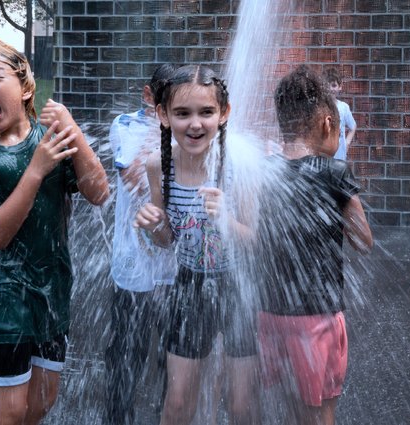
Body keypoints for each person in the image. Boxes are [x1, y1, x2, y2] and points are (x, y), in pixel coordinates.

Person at [0, 38, 109, 425]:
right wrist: (37, 169)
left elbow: (99, 192)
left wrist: (73, 132)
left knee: (41, 403)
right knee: (6, 413)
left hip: (52, 292)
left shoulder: (52, 139)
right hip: (4, 300)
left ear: (24, 87)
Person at [135, 65, 259, 425]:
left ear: (223, 114)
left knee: (241, 406)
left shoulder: (242, 165)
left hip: (239, 288)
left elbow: (257, 240)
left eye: (206, 112)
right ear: (162, 114)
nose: (195, 124)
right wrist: (153, 225)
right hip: (189, 286)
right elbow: (166, 241)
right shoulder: (160, 166)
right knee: (176, 404)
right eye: (182, 113)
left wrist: (226, 221)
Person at [256, 65, 373, 425]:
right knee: (321, 411)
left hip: (271, 314)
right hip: (317, 315)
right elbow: (364, 241)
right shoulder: (334, 174)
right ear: (326, 123)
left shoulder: (264, 172)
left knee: (292, 404)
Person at [106, 63, 178, 425]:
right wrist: (162, 129)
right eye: (163, 101)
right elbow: (135, 180)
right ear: (147, 96)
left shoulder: (187, 129)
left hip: (175, 268)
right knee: (126, 355)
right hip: (133, 265)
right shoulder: (126, 125)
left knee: (173, 358)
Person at [324, 67, 356, 161]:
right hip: (322, 157)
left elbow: (353, 126)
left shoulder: (343, 107)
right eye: (327, 86)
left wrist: (347, 143)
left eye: (333, 85)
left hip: (339, 158)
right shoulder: (319, 107)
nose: (330, 89)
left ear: (340, 86)